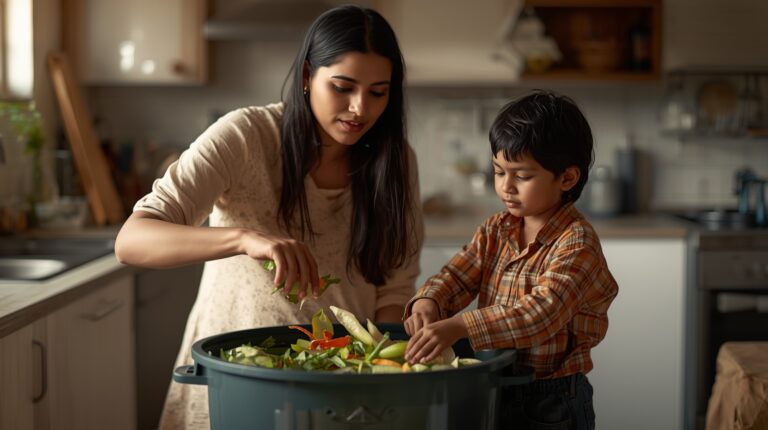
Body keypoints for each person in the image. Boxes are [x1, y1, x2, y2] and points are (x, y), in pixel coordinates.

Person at [114, 5, 422, 429]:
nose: (359, 108)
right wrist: (244, 239)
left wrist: (383, 371)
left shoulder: (397, 162)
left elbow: (394, 289)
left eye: (378, 92)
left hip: (343, 390)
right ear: (306, 76)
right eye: (343, 87)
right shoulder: (244, 135)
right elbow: (131, 241)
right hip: (234, 379)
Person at [403, 90, 618, 430]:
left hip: (553, 400)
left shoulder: (577, 242)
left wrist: (460, 326)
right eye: (499, 171)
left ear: (567, 178)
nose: (506, 187)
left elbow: (539, 315)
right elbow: (457, 277)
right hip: (494, 384)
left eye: (522, 176)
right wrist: (429, 300)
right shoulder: (495, 228)